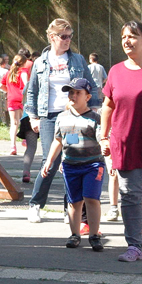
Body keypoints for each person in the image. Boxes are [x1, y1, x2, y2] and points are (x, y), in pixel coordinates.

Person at [99, 21, 142, 262]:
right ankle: (134, 245)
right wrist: (104, 136)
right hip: (126, 143)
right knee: (130, 195)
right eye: (123, 37)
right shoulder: (116, 71)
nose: (127, 41)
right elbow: (108, 106)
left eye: (133, 36)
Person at [24, 19, 99, 223]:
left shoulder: (77, 60)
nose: (68, 40)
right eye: (64, 36)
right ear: (52, 37)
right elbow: (32, 91)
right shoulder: (40, 62)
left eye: (70, 36)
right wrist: (33, 117)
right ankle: (35, 204)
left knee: (71, 159)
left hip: (72, 116)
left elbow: (91, 85)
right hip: (49, 117)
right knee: (50, 159)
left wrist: (93, 109)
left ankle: (70, 208)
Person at [40, 78, 105, 251]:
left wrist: (111, 159)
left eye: (78, 93)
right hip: (70, 165)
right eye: (71, 92)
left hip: (93, 165)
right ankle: (75, 234)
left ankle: (94, 235)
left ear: (88, 97)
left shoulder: (95, 118)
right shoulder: (62, 117)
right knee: (74, 201)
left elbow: (103, 141)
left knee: (91, 198)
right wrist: (49, 161)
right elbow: (58, 140)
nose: (73, 96)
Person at [2, 54, 30, 157]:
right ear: (24, 63)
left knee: (14, 123)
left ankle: (13, 146)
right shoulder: (23, 72)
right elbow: (26, 85)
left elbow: (1, 85)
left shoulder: (8, 73)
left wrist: (9, 91)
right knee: (25, 120)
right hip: (22, 99)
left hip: (11, 99)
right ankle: (25, 140)